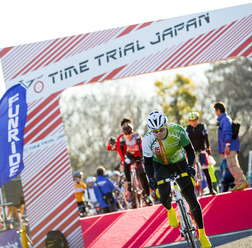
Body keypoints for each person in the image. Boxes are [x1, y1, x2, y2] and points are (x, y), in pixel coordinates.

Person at [142, 111, 211, 248]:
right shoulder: (147, 139)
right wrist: (150, 178)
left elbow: (190, 151)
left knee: (191, 199)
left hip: (179, 162)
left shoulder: (177, 130)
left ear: (166, 125)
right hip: (160, 165)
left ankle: (202, 234)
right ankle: (170, 210)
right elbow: (148, 163)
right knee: (164, 196)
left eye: (162, 129)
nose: (159, 133)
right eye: (155, 131)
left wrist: (190, 166)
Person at [213, 102, 249, 191]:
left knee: (233, 165)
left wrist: (227, 145)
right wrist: (223, 151)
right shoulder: (224, 119)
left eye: (215, 110)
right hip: (230, 146)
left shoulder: (225, 119)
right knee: (231, 165)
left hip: (231, 146)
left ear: (218, 110)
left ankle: (242, 182)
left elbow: (227, 133)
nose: (215, 113)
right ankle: (238, 183)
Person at [119, 123, 153, 206]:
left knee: (142, 172)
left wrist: (142, 158)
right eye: (126, 134)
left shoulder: (137, 136)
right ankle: (129, 183)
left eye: (130, 133)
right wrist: (124, 159)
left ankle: (148, 196)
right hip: (130, 155)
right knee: (126, 164)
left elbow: (141, 147)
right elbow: (122, 151)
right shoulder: (122, 139)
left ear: (132, 131)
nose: (128, 136)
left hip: (139, 155)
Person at [186, 112, 216, 195]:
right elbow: (186, 140)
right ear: (189, 121)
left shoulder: (202, 127)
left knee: (206, 170)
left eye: (195, 120)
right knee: (191, 171)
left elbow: (206, 137)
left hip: (202, 150)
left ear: (198, 119)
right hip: (192, 152)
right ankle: (192, 192)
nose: (194, 122)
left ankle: (211, 189)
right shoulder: (187, 129)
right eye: (192, 121)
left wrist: (208, 148)